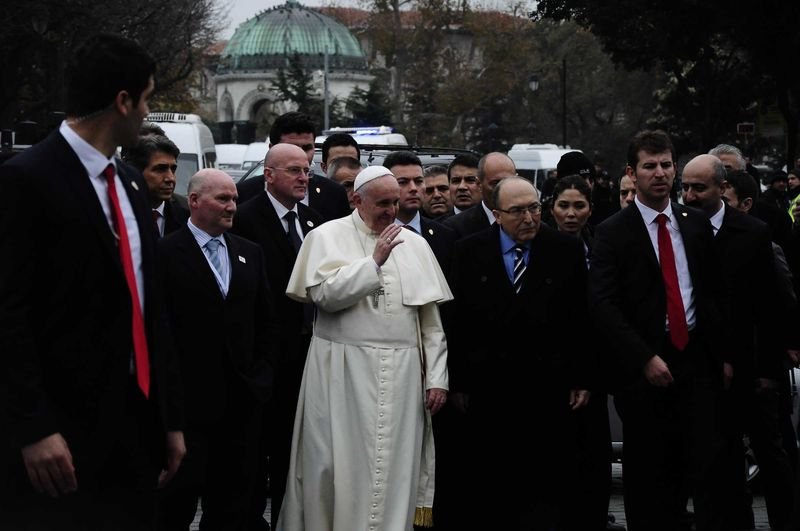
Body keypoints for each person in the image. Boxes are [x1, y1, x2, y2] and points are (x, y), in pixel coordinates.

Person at [0, 33, 184, 530]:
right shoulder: (26, 180)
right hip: (62, 440)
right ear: (122, 102)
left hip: (135, 428)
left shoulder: (127, 181)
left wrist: (168, 419)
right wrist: (33, 428)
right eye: (145, 99)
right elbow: (8, 314)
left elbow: (149, 305)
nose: (148, 113)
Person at [277, 166, 451, 531]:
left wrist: (437, 378)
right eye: (382, 203)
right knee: (339, 465)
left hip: (403, 377)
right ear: (356, 199)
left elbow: (430, 323)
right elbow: (324, 296)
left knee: (395, 466)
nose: (391, 211)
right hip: (340, 372)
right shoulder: (326, 236)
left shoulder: (415, 243)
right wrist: (373, 263)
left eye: (394, 202)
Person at [590, 130, 729, 531]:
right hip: (643, 369)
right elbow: (603, 304)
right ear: (632, 174)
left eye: (666, 164)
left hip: (696, 364)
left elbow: (714, 293)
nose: (660, 173)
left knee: (701, 469)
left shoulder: (696, 225)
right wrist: (644, 357)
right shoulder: (613, 231)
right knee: (649, 477)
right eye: (650, 166)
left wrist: (722, 356)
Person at [449, 176, 590, 530]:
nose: (529, 218)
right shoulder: (469, 251)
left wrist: (581, 376)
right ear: (496, 214)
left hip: (548, 386)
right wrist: (460, 382)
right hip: (489, 388)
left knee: (545, 487)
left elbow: (580, 319)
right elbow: (458, 321)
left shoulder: (564, 249)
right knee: (492, 487)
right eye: (517, 211)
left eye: (534, 208)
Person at [156, 169, 275, 530]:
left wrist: (260, 380)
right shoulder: (163, 254)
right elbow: (158, 332)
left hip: (240, 408)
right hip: (187, 411)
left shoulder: (249, 253)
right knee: (175, 506)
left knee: (231, 508)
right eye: (223, 199)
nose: (232, 206)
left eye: (235, 199)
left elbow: (266, 324)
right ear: (194, 201)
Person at [682, 154, 796, 530]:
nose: (690, 195)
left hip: (753, 368)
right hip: (709, 370)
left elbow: (772, 306)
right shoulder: (681, 232)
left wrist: (768, 369)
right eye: (686, 187)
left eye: (699, 188)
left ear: (721, 188)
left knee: (771, 455)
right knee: (719, 461)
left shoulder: (752, 232)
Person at [232, 143, 324, 531]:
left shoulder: (314, 221)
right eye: (293, 171)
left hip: (308, 353)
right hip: (266, 355)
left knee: (294, 449)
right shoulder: (245, 219)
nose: (304, 178)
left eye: (306, 170)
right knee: (257, 453)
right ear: (268, 175)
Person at [237, 112, 350, 221]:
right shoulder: (244, 194)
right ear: (272, 148)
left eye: (306, 148)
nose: (300, 154)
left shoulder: (334, 194)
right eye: (291, 148)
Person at [384, 151, 457, 274]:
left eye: (418, 181)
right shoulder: (372, 233)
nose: (413, 188)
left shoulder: (446, 235)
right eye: (403, 182)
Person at [123, 132, 188, 237]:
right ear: (136, 171)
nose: (170, 178)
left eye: (173, 169)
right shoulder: (120, 211)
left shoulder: (187, 213)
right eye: (160, 169)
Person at [444, 152, 515, 239]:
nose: (462, 187)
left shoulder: (526, 218)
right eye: (456, 181)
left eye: (470, 180)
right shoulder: (449, 227)